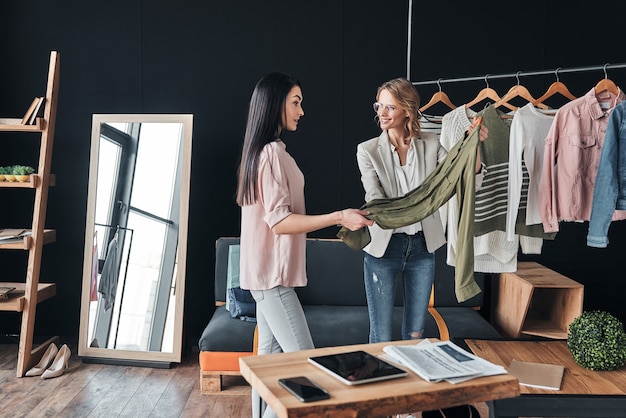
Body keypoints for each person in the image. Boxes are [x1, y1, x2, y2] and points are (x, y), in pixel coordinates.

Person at [235, 72, 373, 418]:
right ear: (275, 104)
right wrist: (339, 216)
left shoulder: (266, 153)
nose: (301, 110)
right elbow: (280, 222)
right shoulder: (269, 155)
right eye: (295, 102)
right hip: (273, 280)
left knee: (269, 366)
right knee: (307, 369)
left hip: (265, 277)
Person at [356, 77, 486, 344]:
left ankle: (410, 385)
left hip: (423, 248)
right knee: (380, 336)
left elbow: (459, 175)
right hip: (384, 248)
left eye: (389, 107)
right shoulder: (368, 151)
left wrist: (474, 145)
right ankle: (382, 386)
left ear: (408, 109)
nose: (381, 113)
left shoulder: (430, 143)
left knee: (415, 334)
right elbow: (376, 201)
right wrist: (417, 205)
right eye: (378, 106)